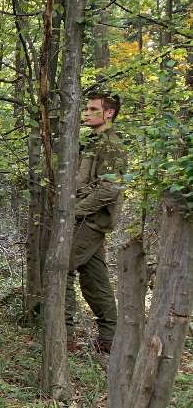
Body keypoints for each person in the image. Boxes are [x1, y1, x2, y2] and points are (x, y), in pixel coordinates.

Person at [68, 91, 126, 354]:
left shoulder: (111, 145)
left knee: (60, 270)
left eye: (93, 109)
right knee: (95, 280)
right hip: (86, 221)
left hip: (89, 222)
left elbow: (109, 189)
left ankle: (63, 336)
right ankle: (111, 339)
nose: (87, 113)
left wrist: (76, 211)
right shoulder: (93, 142)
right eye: (87, 109)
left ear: (109, 113)